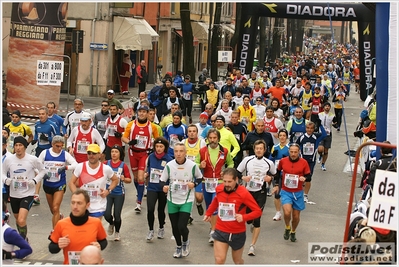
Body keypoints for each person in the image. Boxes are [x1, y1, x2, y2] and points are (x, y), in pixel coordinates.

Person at [203, 168, 262, 264]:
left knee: (237, 261)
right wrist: (208, 213)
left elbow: (257, 211)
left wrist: (243, 217)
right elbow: (216, 201)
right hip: (220, 230)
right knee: (219, 260)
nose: (226, 184)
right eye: (225, 181)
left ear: (236, 180)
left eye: (229, 182)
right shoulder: (219, 189)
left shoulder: (243, 193)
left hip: (237, 233)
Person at [160, 143, 203, 258]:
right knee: (174, 227)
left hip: (186, 199)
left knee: (182, 226)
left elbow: (199, 177)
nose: (178, 154)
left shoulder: (192, 165)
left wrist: (194, 184)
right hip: (172, 199)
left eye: (181, 151)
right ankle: (178, 246)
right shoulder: (169, 165)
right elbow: (162, 180)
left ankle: (185, 242)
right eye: (176, 151)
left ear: (185, 153)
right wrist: (164, 187)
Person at [2, 136, 45, 241]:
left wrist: (34, 181)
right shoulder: (9, 159)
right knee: (18, 220)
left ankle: (22, 243)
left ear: (25, 147)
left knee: (21, 220)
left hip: (28, 194)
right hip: (14, 194)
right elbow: (2, 173)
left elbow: (43, 171)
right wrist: (6, 179)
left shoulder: (32, 159)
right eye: (16, 145)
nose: (18, 148)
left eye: (20, 145)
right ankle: (24, 239)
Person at [237, 140, 276, 256]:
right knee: (248, 219)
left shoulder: (269, 163)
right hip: (248, 193)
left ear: (264, 150)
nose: (259, 150)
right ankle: (252, 222)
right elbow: (237, 172)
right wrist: (243, 177)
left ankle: (252, 246)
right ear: (254, 149)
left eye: (261, 148)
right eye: (257, 148)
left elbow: (275, 174)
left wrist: (271, 179)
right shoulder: (247, 160)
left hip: (261, 193)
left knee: (257, 218)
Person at [48, 189, 108, 264]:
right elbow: (51, 248)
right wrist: (58, 245)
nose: (75, 207)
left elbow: (103, 241)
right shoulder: (61, 224)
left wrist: (99, 246)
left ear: (87, 205)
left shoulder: (96, 223)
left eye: (79, 203)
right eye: (73, 203)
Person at [196, 128, 234, 243]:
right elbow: (195, 164)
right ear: (207, 139)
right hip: (206, 182)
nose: (213, 140)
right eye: (210, 138)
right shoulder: (202, 151)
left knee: (215, 207)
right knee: (209, 207)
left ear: (218, 138)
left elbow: (231, 162)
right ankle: (212, 227)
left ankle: (213, 232)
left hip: (219, 182)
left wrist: (227, 171)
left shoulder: (224, 151)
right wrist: (200, 165)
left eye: (215, 138)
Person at [122, 105, 159, 213]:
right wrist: (129, 142)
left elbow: (157, 140)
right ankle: (140, 191)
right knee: (136, 178)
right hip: (133, 153)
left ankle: (138, 202)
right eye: (140, 111)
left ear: (148, 113)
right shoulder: (131, 125)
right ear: (137, 113)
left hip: (144, 154)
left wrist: (155, 148)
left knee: (141, 177)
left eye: (144, 112)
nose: (142, 114)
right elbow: (124, 137)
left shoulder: (152, 127)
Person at [272, 143, 311, 242]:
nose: (293, 154)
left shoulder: (304, 162)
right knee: (287, 212)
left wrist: (304, 178)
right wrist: (277, 185)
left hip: (298, 192)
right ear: (289, 151)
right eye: (291, 152)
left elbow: (309, 176)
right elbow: (277, 173)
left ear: (299, 152)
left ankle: (293, 231)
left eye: (295, 152)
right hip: (286, 191)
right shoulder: (283, 161)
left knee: (296, 216)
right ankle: (287, 227)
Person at [68, 144, 119, 219]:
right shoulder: (80, 167)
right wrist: (77, 196)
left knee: (94, 229)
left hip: (98, 206)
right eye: (89, 153)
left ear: (100, 155)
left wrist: (108, 191)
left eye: (94, 153)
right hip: (83, 206)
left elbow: (115, 180)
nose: (91, 156)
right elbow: (71, 183)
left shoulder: (106, 169)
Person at [38, 135, 78, 229]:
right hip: (48, 184)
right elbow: (36, 166)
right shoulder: (45, 153)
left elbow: (75, 164)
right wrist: (42, 174)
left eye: (61, 146)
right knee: (53, 210)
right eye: (57, 146)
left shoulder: (64, 154)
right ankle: (59, 217)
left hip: (59, 184)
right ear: (52, 144)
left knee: (56, 207)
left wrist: (66, 167)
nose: (59, 148)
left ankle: (54, 232)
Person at [145, 137, 173, 241]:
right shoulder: (151, 156)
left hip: (162, 189)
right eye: (157, 146)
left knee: (161, 210)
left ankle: (161, 227)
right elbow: (149, 167)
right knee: (150, 209)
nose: (159, 148)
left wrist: (168, 186)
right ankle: (151, 229)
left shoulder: (169, 159)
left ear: (165, 148)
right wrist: (147, 173)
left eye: (161, 146)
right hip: (152, 187)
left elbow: (171, 175)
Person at [32, 107, 59, 204]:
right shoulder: (37, 124)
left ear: (47, 115)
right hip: (39, 150)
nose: (41, 116)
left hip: (49, 150)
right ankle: (36, 195)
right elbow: (36, 134)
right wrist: (35, 139)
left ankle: (55, 191)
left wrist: (48, 139)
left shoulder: (52, 124)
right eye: (39, 114)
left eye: (43, 114)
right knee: (38, 171)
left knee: (49, 172)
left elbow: (58, 138)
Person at [104, 145, 131, 241]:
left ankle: (117, 231)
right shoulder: (106, 163)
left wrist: (124, 179)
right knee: (106, 214)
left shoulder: (123, 165)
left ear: (120, 154)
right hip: (108, 192)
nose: (114, 154)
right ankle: (111, 223)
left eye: (116, 152)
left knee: (117, 215)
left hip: (119, 193)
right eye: (112, 152)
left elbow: (129, 180)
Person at [295, 121, 326, 203]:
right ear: (305, 129)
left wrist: (320, 125)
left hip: (311, 161)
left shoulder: (316, 137)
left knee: (308, 179)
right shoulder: (301, 137)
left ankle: (305, 195)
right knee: (300, 178)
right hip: (302, 161)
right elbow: (296, 146)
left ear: (314, 129)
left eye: (311, 128)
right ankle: (298, 193)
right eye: (308, 128)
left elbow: (324, 134)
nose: (309, 130)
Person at [269, 129, 290, 221]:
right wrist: (273, 156)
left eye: (284, 135)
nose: (282, 137)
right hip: (277, 173)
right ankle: (278, 213)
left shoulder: (290, 147)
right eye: (280, 135)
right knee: (277, 194)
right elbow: (270, 161)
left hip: (287, 174)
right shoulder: (275, 147)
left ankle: (287, 210)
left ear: (287, 137)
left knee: (286, 194)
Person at [317, 102, 337, 171]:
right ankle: (320, 155)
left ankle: (323, 164)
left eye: (328, 106)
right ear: (323, 107)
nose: (327, 107)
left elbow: (335, 123)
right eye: (326, 106)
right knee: (320, 149)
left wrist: (336, 125)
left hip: (328, 134)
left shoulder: (332, 115)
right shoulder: (319, 115)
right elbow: (316, 123)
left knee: (326, 150)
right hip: (320, 134)